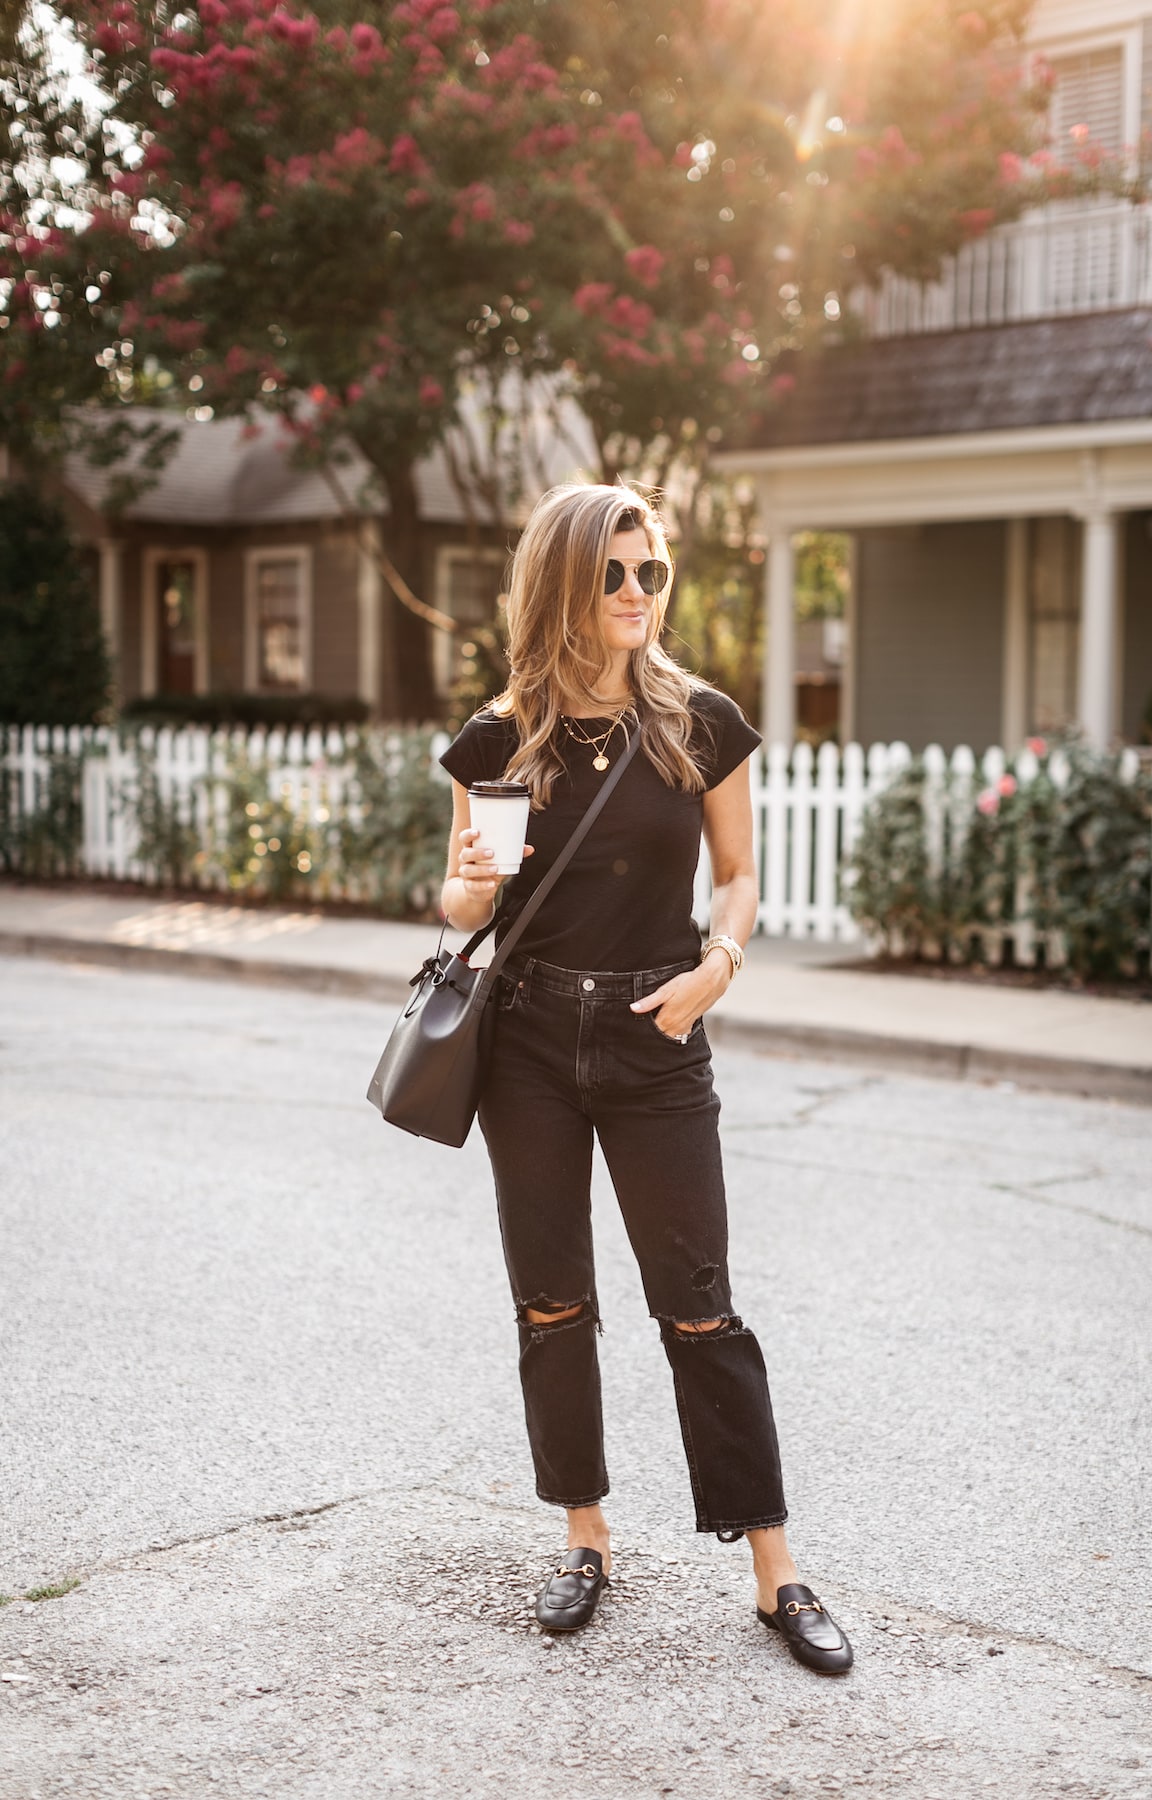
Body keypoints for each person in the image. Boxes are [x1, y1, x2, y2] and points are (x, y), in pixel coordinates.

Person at [438, 482, 852, 1675]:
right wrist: (468, 881)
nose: (635, 593)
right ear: (565, 582)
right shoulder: (502, 735)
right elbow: (470, 899)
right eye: (613, 572)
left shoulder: (698, 722)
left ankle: (777, 1570)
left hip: (656, 1036)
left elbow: (738, 875)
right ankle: (586, 1537)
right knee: (552, 1300)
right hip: (526, 1042)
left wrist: (719, 966)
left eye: (650, 572)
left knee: (701, 1303)